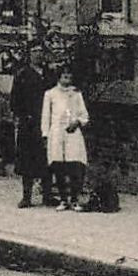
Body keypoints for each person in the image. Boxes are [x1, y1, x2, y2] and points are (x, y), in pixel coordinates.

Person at [8, 46, 55, 208]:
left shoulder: (50, 75)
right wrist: (24, 115)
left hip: (47, 122)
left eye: (41, 51)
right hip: (29, 124)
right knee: (27, 159)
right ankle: (26, 196)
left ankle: (47, 195)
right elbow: (14, 100)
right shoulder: (23, 75)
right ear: (29, 54)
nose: (38, 54)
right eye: (34, 51)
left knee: (47, 157)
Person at [41, 67, 90, 211]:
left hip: (73, 132)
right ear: (59, 78)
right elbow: (46, 116)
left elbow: (84, 114)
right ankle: (63, 200)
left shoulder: (76, 94)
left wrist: (77, 122)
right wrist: (45, 135)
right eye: (64, 76)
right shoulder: (50, 94)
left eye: (69, 76)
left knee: (76, 164)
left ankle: (74, 200)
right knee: (58, 166)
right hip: (56, 132)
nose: (67, 79)